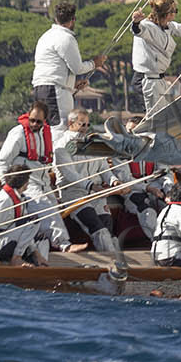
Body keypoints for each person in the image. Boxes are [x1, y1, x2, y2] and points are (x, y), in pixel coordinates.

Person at [0, 101, 70, 249]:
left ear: (45, 121)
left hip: (43, 182)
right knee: (46, 209)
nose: (34, 124)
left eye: (38, 121)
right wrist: (8, 187)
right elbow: (2, 162)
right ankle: (64, 244)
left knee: (55, 208)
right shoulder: (18, 134)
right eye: (32, 120)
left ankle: (47, 246)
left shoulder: (45, 133)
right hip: (26, 182)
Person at [52, 109, 121, 256]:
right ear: (71, 123)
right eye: (82, 124)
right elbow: (70, 174)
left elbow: (103, 168)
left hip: (96, 194)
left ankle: (116, 258)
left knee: (108, 226)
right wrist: (91, 186)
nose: (86, 128)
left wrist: (113, 180)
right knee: (96, 226)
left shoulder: (93, 143)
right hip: (74, 194)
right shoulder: (61, 146)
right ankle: (113, 262)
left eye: (88, 124)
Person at [33, 1, 106, 126]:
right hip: (55, 91)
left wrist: (72, 84)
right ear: (73, 20)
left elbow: (54, 67)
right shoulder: (66, 38)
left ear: (56, 18)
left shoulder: (45, 37)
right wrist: (94, 63)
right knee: (59, 128)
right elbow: (77, 68)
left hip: (41, 88)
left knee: (45, 130)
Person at [0, 170, 50, 266]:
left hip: (8, 238)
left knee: (41, 238)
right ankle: (16, 258)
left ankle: (40, 263)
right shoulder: (2, 202)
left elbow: (27, 231)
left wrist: (37, 253)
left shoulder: (19, 198)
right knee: (33, 221)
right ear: (24, 184)